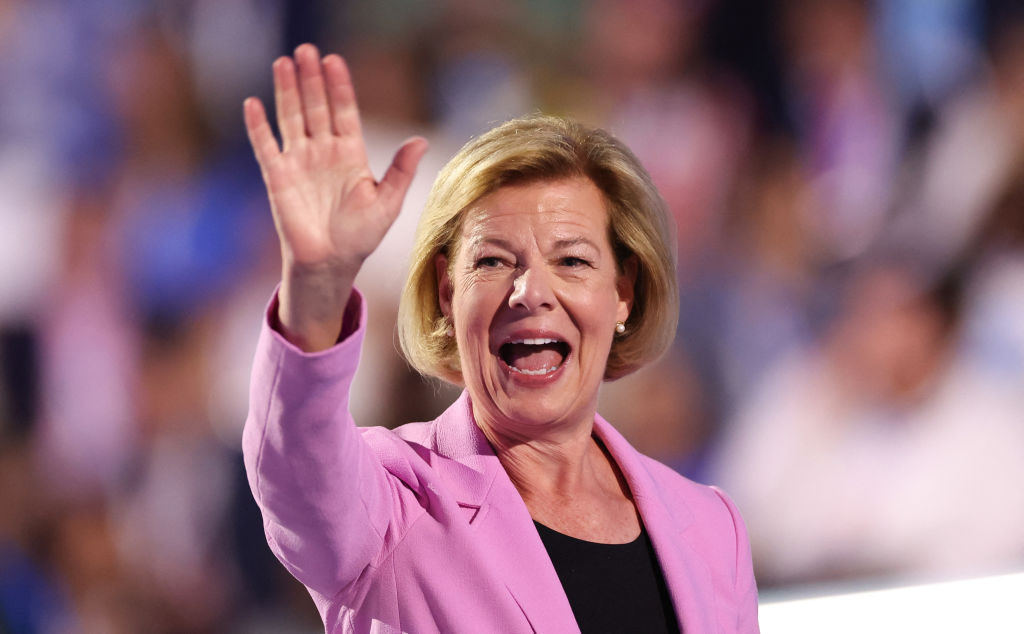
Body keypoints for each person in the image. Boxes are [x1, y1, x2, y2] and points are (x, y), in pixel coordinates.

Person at [241, 43, 759, 633]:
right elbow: (299, 473)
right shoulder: (394, 504)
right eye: (492, 261)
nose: (530, 291)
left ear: (625, 292)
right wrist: (318, 283)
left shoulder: (713, 530)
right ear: (445, 292)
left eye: (572, 261)